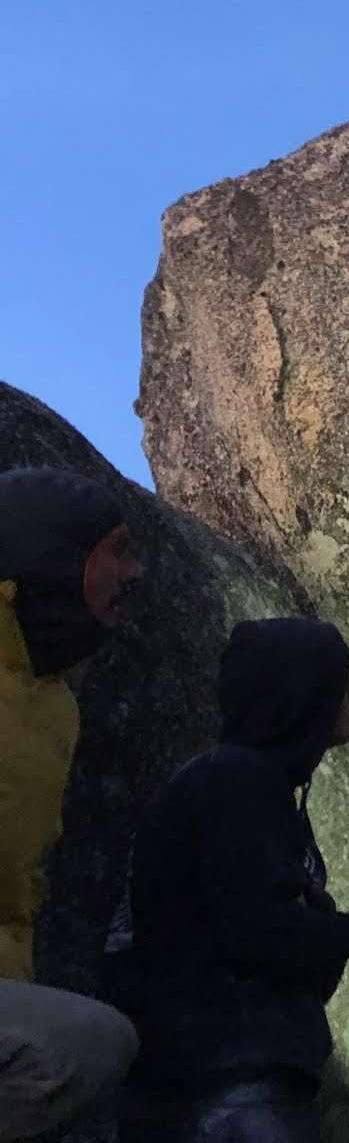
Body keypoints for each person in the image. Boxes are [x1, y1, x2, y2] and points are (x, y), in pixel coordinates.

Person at [109, 617, 349, 1141]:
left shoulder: (245, 782)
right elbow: (257, 929)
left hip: (229, 1071)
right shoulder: (239, 782)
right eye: (345, 677)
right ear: (303, 690)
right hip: (227, 1077)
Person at [0, 466, 145, 1142]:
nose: (136, 572)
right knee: (87, 1043)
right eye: (117, 550)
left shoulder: (54, 703)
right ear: (56, 556)